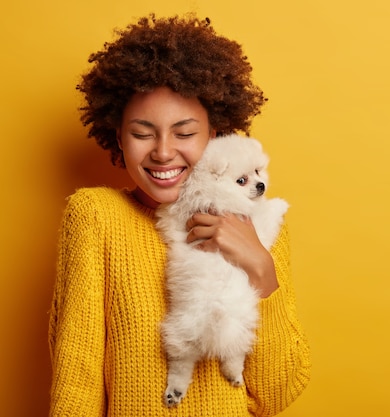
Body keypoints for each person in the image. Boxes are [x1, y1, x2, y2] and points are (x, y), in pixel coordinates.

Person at [48, 14, 310, 416]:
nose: (164, 151)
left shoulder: (261, 225)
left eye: (185, 133)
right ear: (118, 136)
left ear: (215, 136)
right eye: (142, 133)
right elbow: (77, 376)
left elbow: (275, 395)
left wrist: (261, 265)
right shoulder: (97, 216)